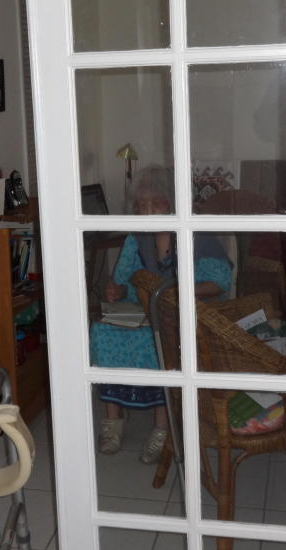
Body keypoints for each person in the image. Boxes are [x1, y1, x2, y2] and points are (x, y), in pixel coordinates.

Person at [89, 166, 232, 463]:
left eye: (155, 204)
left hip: (185, 314)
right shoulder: (137, 238)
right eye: (142, 206)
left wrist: (177, 292)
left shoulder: (197, 235)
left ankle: (162, 427)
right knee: (104, 331)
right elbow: (123, 282)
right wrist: (116, 291)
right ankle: (113, 420)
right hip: (144, 312)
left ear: (172, 203)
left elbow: (220, 282)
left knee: (159, 340)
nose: (148, 212)